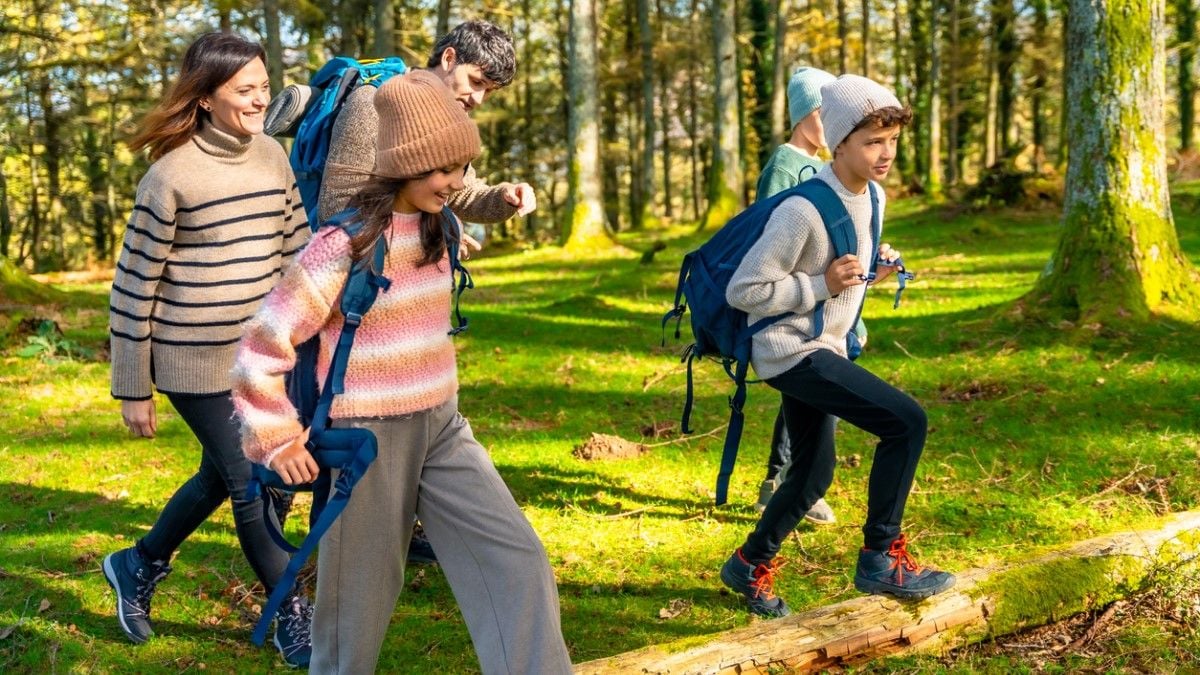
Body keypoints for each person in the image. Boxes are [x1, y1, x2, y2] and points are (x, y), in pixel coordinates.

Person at [231, 70, 573, 674]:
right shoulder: (345, 243)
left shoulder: (441, 226)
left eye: (461, 168)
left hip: (443, 426)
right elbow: (264, 344)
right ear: (402, 166)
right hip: (369, 438)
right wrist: (276, 437)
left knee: (516, 561)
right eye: (441, 170)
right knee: (353, 615)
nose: (454, 182)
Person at [102, 32, 313, 666]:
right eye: (245, 90)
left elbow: (296, 248)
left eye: (265, 88)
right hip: (193, 363)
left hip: (264, 357)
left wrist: (307, 329)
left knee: (223, 477)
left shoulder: (273, 156)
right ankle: (290, 614)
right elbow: (133, 288)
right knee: (250, 478)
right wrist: (133, 387)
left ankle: (137, 564)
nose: (259, 100)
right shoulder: (170, 177)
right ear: (206, 97)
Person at [718, 74, 956, 618]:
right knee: (906, 421)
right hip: (791, 349)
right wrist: (820, 285)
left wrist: (874, 266)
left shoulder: (874, 196)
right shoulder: (799, 210)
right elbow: (746, 290)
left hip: (826, 344)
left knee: (812, 472)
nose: (885, 153)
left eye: (892, 140)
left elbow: (847, 263)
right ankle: (880, 556)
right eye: (873, 141)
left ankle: (749, 563)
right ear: (840, 141)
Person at [318, 19, 535, 565]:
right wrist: (439, 232)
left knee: (413, 423)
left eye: (489, 90)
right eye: (475, 80)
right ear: (447, 57)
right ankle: (323, 573)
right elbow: (338, 206)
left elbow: (457, 192)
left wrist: (501, 198)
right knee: (339, 431)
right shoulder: (376, 104)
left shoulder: (447, 116)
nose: (477, 97)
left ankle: (392, 531)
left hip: (411, 306)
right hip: (355, 299)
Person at [753, 66, 840, 523]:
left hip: (832, 304)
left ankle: (783, 480)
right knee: (811, 394)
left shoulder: (826, 166)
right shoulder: (783, 166)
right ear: (805, 113)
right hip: (797, 305)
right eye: (827, 113)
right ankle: (794, 484)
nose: (834, 123)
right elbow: (765, 240)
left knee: (815, 399)